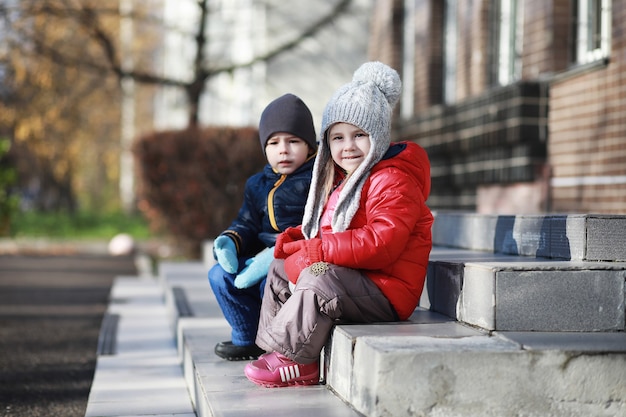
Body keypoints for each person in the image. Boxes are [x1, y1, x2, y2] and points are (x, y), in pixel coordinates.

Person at [243, 61, 433, 387]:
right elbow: (330, 231)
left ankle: (298, 360)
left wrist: (317, 251)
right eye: (338, 137)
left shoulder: (392, 180)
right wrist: (299, 241)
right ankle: (273, 349)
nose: (347, 146)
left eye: (359, 135)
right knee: (279, 266)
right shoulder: (345, 181)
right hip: (360, 278)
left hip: (387, 290)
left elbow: (381, 243)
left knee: (321, 278)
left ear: (379, 137)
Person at [208, 93, 317, 361]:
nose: (283, 149)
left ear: (309, 145)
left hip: (290, 257)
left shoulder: (316, 178)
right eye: (274, 142)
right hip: (259, 255)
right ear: (264, 147)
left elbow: (316, 225)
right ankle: (246, 337)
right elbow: (246, 222)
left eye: (293, 141)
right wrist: (230, 242)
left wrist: (275, 254)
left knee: (268, 283)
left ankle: (274, 339)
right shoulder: (257, 184)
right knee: (219, 276)